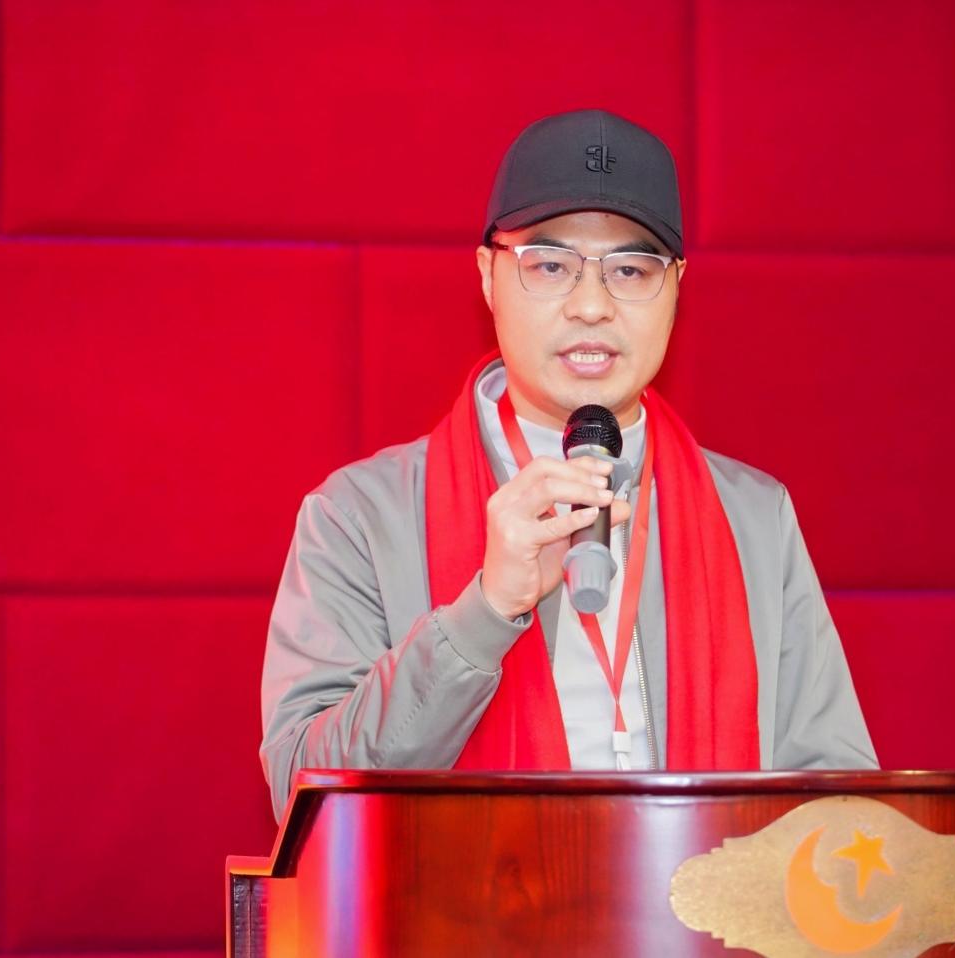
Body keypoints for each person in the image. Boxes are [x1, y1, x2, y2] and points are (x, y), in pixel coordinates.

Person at [260, 109, 875, 821]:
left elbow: (837, 803)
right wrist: (485, 611)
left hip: (696, 895)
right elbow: (305, 798)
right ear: (488, 277)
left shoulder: (754, 517)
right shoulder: (360, 516)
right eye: (550, 266)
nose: (590, 306)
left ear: (677, 287)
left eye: (631, 270)